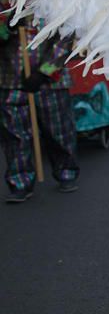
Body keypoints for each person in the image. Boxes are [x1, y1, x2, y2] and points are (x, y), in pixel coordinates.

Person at [0, 12, 79, 202]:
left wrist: (45, 72)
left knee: (58, 130)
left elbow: (66, 37)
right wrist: (6, 28)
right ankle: (20, 182)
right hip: (10, 80)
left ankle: (66, 172)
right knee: (15, 136)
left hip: (50, 82)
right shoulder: (4, 6)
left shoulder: (55, 2)